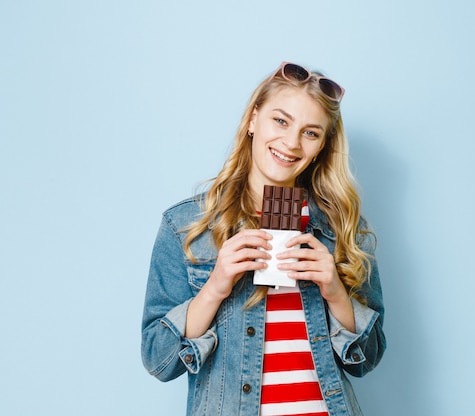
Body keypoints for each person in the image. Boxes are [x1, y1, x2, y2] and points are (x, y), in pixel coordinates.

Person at [141, 62, 386, 416]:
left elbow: (368, 360)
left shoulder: (342, 227)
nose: (291, 142)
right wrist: (216, 287)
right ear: (253, 120)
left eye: (311, 132)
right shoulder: (186, 226)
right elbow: (158, 360)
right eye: (281, 121)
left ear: (321, 146)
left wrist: (335, 292)